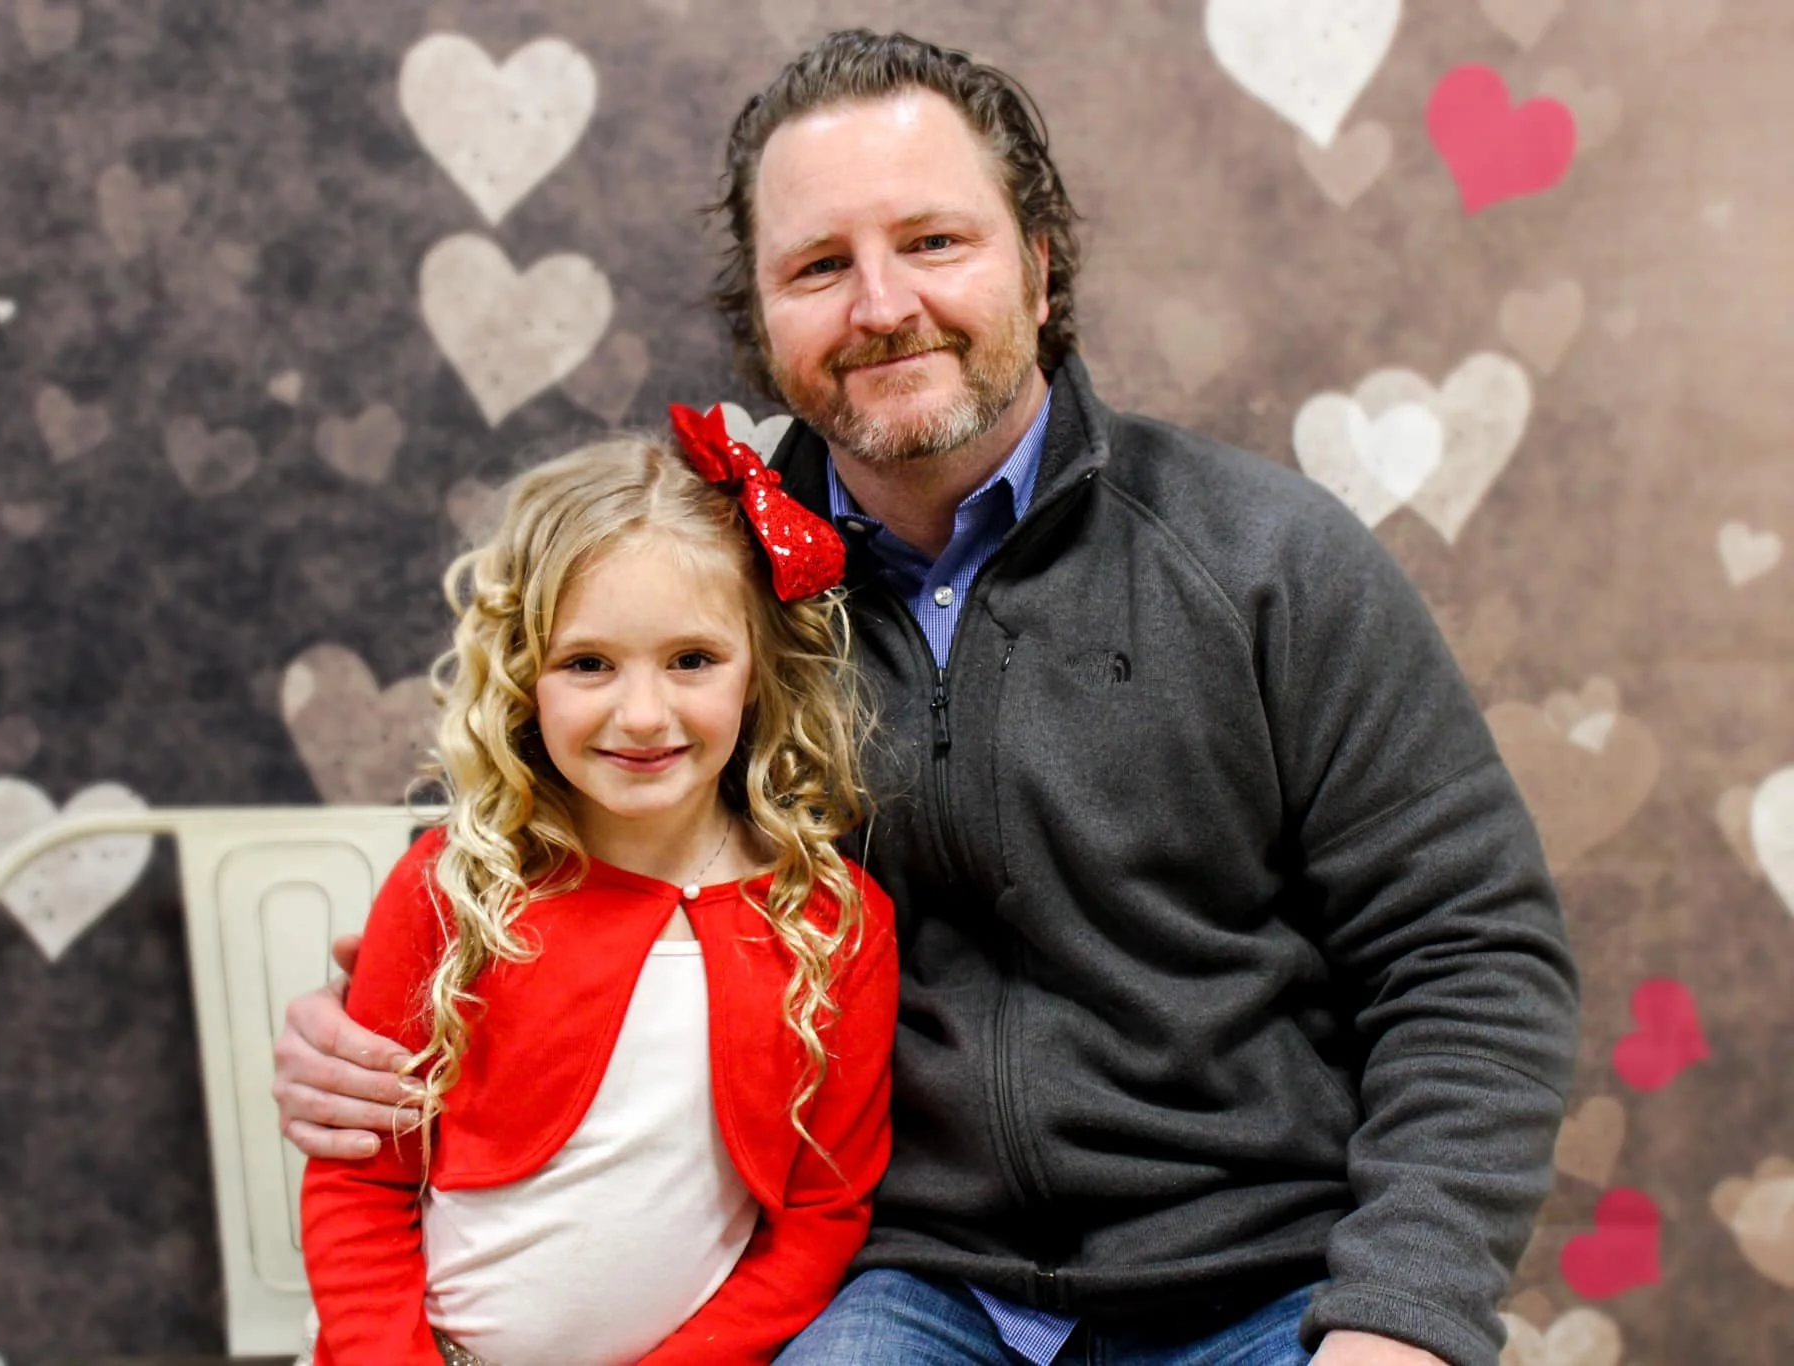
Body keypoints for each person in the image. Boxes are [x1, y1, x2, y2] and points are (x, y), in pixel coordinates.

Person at [275, 30, 1578, 1366]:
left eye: (933, 242)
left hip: (1258, 1279)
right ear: (759, 315)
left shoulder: (1265, 561)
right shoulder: (704, 591)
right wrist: (366, 1037)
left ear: (1039, 264)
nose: (881, 304)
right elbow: (552, 862)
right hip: (903, 1282)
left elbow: (1469, 955)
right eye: (818, 266)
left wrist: (1401, 1313)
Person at [295, 422, 898, 1365]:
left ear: (759, 666)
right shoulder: (453, 889)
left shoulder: (835, 924)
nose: (644, 715)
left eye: (692, 660)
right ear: (524, 677)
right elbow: (360, 1188)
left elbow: (822, 1219)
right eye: (588, 664)